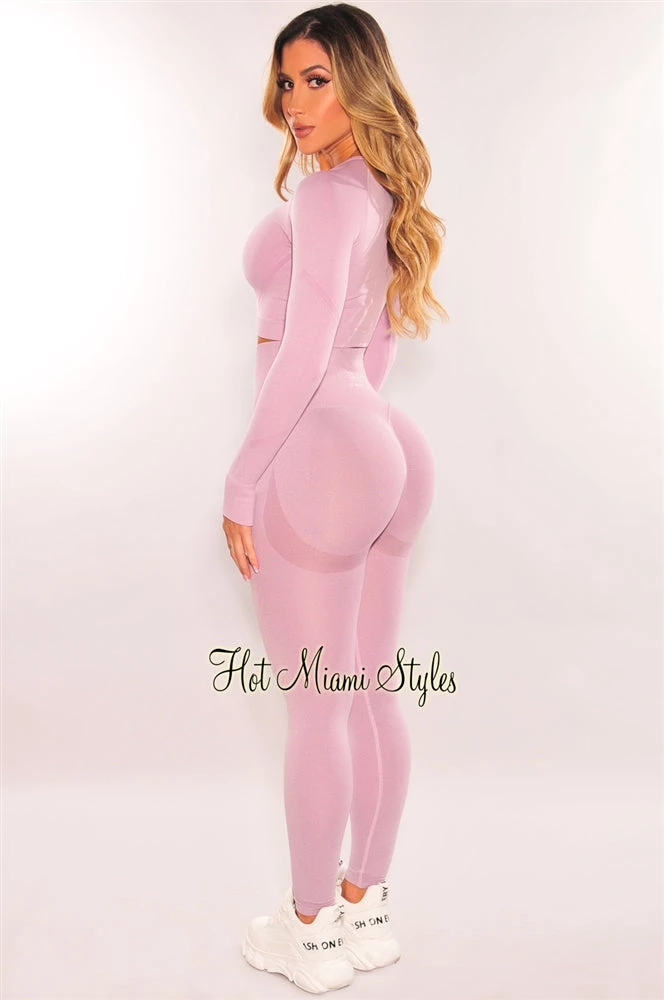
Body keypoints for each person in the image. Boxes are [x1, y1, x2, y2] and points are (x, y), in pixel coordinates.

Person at [221, 3, 448, 993]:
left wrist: (243, 478)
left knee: (318, 702)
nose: (295, 101)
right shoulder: (381, 190)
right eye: (287, 81)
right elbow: (375, 341)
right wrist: (365, 444)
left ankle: (311, 932)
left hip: (321, 444)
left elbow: (309, 347)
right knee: (366, 687)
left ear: (361, 81)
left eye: (317, 79)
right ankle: (368, 906)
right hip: (385, 440)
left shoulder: (322, 196)